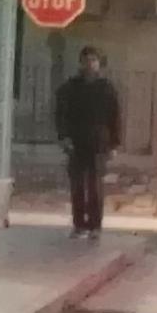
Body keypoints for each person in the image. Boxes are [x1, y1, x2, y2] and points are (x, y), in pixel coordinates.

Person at [54, 47, 122, 239]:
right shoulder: (71, 88)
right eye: (87, 60)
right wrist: (64, 137)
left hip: (99, 142)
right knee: (77, 185)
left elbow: (115, 116)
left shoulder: (106, 88)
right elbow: (61, 114)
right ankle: (79, 225)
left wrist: (114, 143)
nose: (90, 64)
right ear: (81, 63)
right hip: (76, 142)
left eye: (94, 60)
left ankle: (95, 225)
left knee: (95, 185)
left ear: (99, 63)